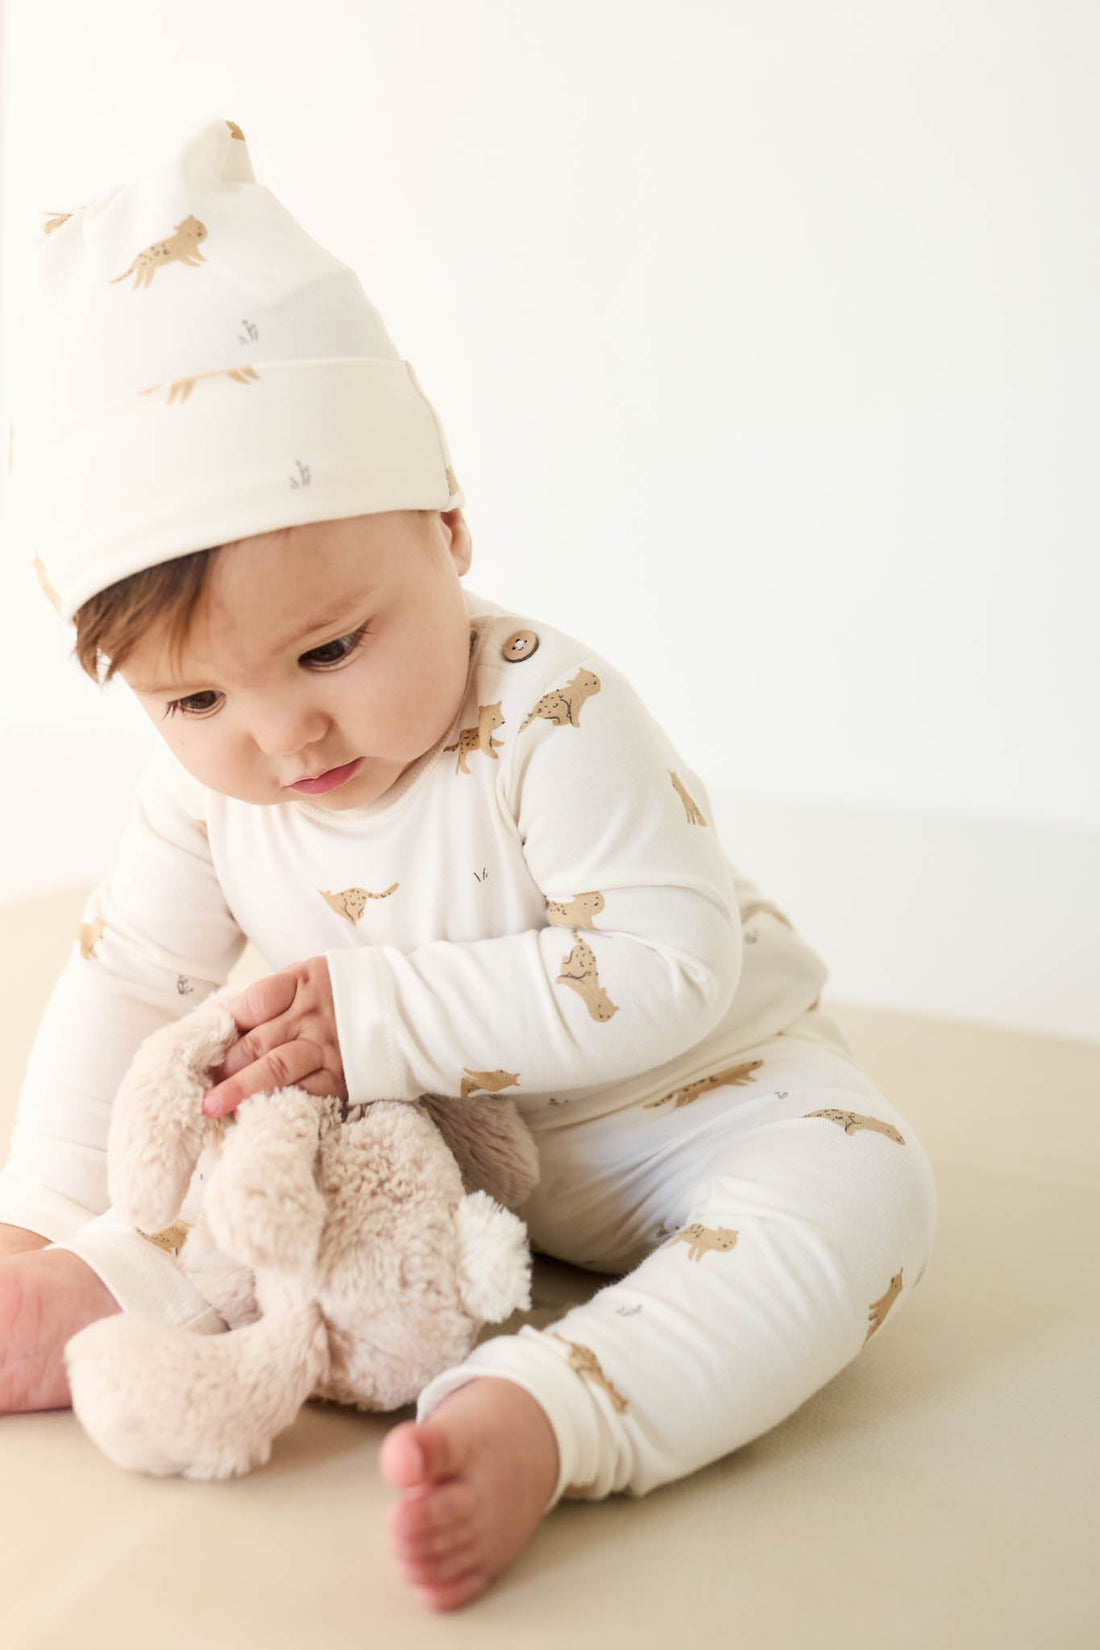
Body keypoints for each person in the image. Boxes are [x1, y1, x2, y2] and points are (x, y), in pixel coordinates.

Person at [0, 116, 938, 1612]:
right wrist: (41, 1207)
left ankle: (559, 1409)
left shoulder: (549, 715)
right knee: (245, 1142)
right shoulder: (204, 789)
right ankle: (92, 1289)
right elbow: (126, 975)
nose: (281, 733)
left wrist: (379, 1021)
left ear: (445, 522)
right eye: (195, 700)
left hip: (686, 1106)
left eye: (329, 647)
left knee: (865, 1189)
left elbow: (669, 965)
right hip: (418, 1156)